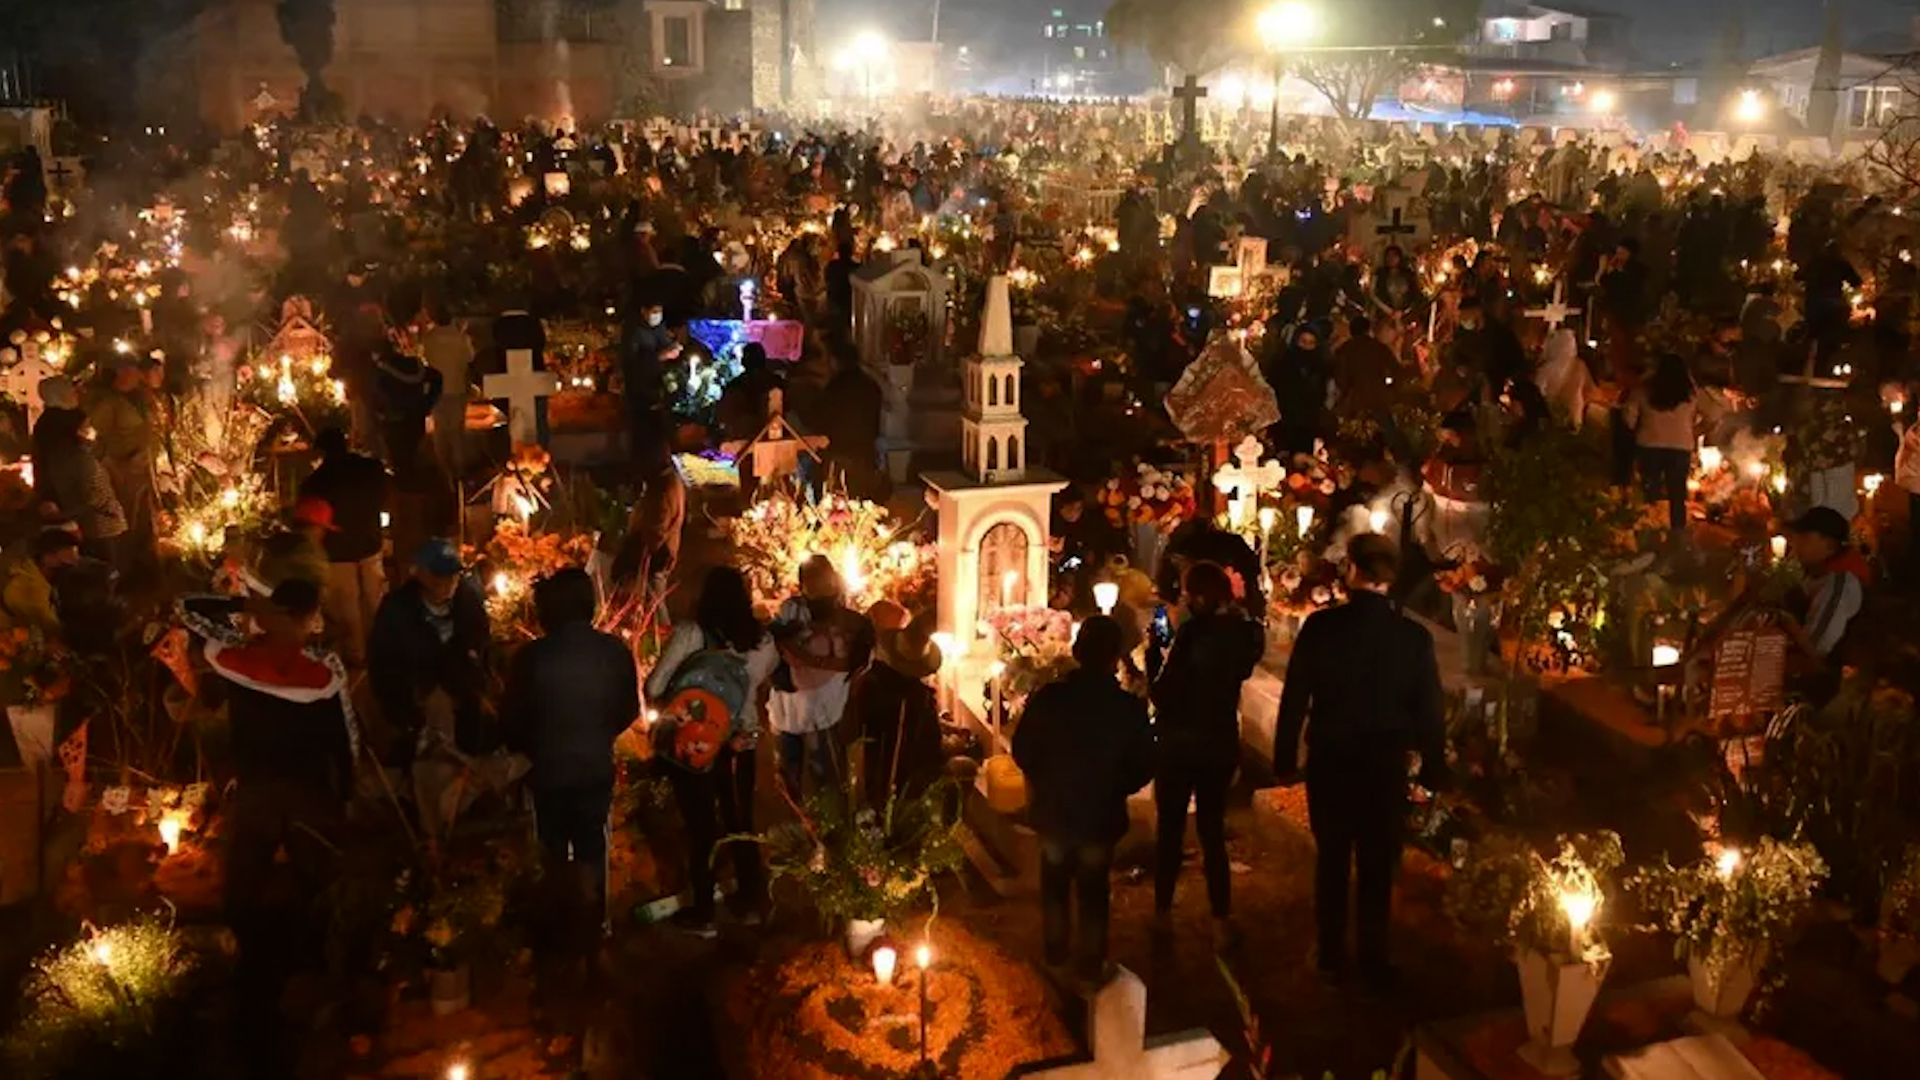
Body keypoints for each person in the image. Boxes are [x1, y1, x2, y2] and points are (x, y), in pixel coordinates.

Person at [179, 578, 352, 1080]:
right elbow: (343, 743)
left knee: (245, 885)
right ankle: (319, 974)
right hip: (305, 794)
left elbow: (186, 605)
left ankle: (243, 973)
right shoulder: (322, 673)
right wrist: (344, 792)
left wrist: (246, 604)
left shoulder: (236, 659)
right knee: (318, 885)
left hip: (257, 791)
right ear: (310, 615)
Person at [1274, 535, 1446, 992]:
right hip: (1384, 762)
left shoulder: (1322, 628)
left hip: (1332, 758)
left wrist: (1284, 758)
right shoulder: (1412, 638)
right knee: (1376, 860)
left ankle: (1330, 952)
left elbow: (1295, 698)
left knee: (1331, 858)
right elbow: (1429, 709)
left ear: (1351, 570)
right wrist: (1433, 770)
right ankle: (1373, 955)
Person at [1013, 616, 1153, 988]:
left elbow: (1024, 749)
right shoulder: (1126, 708)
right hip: (1099, 814)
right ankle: (1090, 966)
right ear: (1115, 658)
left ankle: (1055, 956)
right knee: (1093, 891)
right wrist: (1115, 785)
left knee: (1055, 884)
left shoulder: (1051, 699)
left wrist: (1045, 779)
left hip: (1054, 810)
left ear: (1076, 653)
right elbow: (1143, 766)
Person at [502, 568, 640, 939]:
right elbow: (629, 709)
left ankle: (556, 928)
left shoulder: (531, 658)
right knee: (591, 845)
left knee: (549, 848)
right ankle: (595, 923)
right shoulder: (613, 651)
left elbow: (513, 719)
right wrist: (598, 733)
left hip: (546, 769)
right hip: (595, 765)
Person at [645, 566, 779, 934]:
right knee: (740, 821)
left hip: (695, 743)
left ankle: (703, 911)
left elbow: (655, 686)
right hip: (740, 741)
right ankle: (753, 902)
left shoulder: (691, 633)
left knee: (700, 826)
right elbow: (759, 683)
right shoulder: (763, 640)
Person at [1149, 561, 1265, 950]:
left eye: (1185, 593)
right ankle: (1220, 918)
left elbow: (1164, 693)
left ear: (1197, 596)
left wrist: (1153, 656)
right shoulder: (1244, 634)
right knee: (1212, 830)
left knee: (1170, 829)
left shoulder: (1193, 634)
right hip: (1219, 741)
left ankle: (1162, 914)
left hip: (1181, 743)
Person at [367, 539, 491, 770]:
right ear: (419, 573)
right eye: (438, 574)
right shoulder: (397, 609)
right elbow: (381, 663)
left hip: (464, 704)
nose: (446, 582)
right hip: (414, 706)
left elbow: (480, 647)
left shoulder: (468, 602)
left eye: (452, 575)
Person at [769, 555, 872, 800]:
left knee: (826, 767)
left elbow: (856, 662)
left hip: (827, 704)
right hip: (791, 701)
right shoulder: (791, 610)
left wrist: (812, 659)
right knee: (789, 763)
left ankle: (831, 819)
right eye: (810, 581)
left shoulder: (851, 620)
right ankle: (796, 812)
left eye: (822, 580)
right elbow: (777, 642)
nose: (817, 587)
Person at [300, 427, 391, 667]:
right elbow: (384, 494)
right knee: (375, 600)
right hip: (370, 543)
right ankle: (383, 650)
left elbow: (312, 520)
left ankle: (357, 656)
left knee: (347, 607)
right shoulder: (371, 468)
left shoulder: (316, 482)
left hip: (337, 552)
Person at [846, 600, 945, 810]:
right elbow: (931, 747)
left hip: (873, 776)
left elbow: (851, 729)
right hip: (906, 785)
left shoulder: (869, 682)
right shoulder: (920, 698)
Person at [31, 405, 127, 570]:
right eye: (84, 427)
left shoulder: (54, 459)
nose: (89, 431)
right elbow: (95, 497)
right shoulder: (80, 460)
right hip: (103, 526)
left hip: (85, 526)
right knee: (106, 572)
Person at [87, 353, 157, 575]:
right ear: (122, 372)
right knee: (125, 519)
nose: (138, 375)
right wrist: (112, 465)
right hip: (123, 470)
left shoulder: (140, 398)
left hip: (145, 468)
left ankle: (143, 562)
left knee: (144, 517)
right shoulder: (109, 403)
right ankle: (122, 569)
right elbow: (94, 437)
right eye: (133, 370)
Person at [1782, 506, 1870, 673]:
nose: (1795, 542)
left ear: (1829, 546)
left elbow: (1817, 648)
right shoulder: (1816, 573)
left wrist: (1788, 622)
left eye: (1805, 537)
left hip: (1827, 679)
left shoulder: (1840, 585)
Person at [1624, 352, 1697, 538]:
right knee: (1677, 494)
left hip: (1649, 444)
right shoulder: (1691, 394)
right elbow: (1713, 416)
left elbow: (1628, 417)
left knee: (1650, 490)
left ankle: (1650, 531)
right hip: (1681, 447)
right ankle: (1677, 533)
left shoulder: (1643, 390)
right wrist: (1695, 430)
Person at [622, 300, 681, 473]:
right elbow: (632, 363)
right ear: (643, 310)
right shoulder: (633, 332)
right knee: (643, 434)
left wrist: (674, 347)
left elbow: (664, 344)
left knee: (659, 433)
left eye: (659, 311)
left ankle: (661, 463)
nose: (657, 315)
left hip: (658, 388)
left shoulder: (658, 328)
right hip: (640, 390)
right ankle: (642, 470)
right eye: (654, 311)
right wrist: (660, 356)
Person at [420, 300, 473, 481]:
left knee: (440, 431)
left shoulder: (429, 338)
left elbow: (425, 357)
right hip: (457, 388)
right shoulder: (461, 338)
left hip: (436, 391)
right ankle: (460, 472)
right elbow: (469, 358)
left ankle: (443, 472)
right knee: (457, 432)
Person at [1, 527, 80, 639]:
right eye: (67, 560)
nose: (74, 564)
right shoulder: (29, 590)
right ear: (48, 557)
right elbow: (49, 628)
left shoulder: (32, 567)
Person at [254, 496, 334, 595]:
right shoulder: (311, 552)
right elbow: (321, 591)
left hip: (264, 605)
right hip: (296, 607)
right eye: (323, 529)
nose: (323, 534)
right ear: (314, 527)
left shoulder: (270, 546)